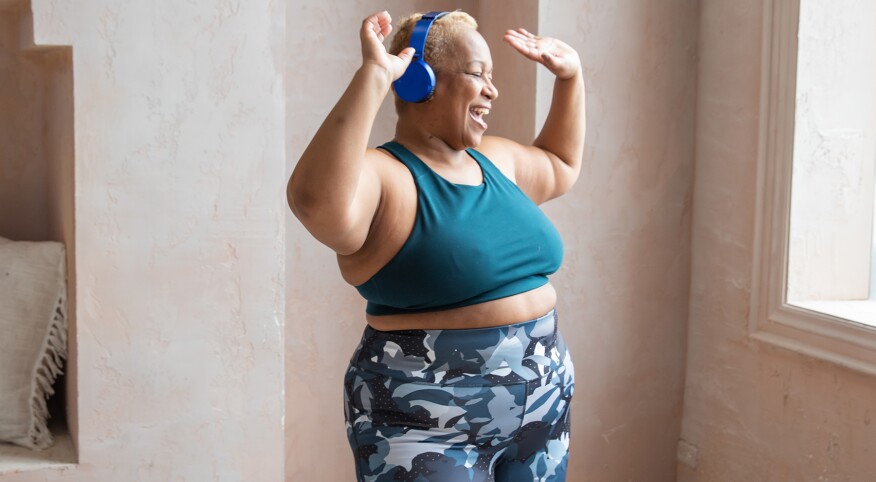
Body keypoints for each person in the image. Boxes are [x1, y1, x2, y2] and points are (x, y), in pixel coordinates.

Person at [287, 9, 585, 482]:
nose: (492, 89)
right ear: (419, 82)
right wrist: (375, 76)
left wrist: (570, 77)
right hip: (424, 424)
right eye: (476, 74)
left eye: (492, 77)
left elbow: (559, 164)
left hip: (543, 403)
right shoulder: (387, 176)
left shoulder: (495, 161)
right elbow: (313, 203)